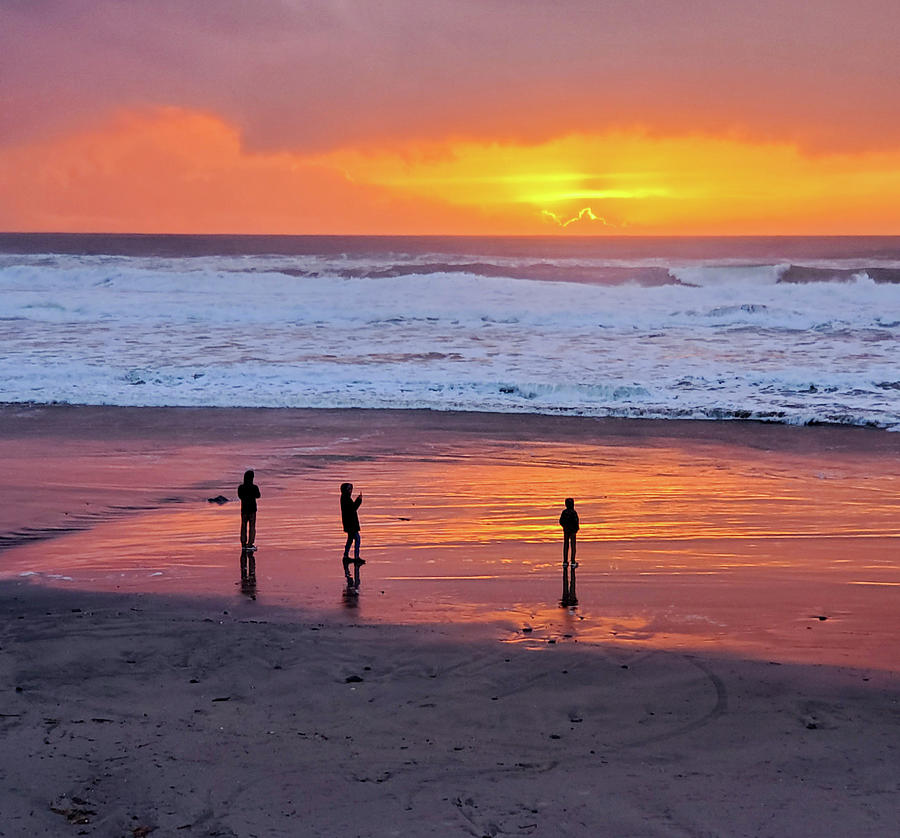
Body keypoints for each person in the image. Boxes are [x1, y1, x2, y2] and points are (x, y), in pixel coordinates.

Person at [340, 482, 364, 583]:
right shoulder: (346, 499)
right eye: (349, 489)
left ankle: (346, 556)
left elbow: (352, 509)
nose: (351, 491)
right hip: (351, 523)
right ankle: (356, 557)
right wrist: (359, 501)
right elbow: (353, 509)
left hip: (349, 523)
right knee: (357, 539)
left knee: (350, 539)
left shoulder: (345, 498)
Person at [238, 470, 261, 550]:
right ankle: (250, 544)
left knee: (243, 526)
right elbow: (258, 495)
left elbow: (240, 496)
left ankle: (243, 543)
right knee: (252, 526)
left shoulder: (241, 487)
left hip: (244, 509)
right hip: (252, 509)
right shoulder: (254, 487)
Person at [559, 497, 579, 568]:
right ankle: (572, 561)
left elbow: (561, 521)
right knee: (573, 546)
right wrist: (576, 529)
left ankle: (565, 561)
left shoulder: (564, 512)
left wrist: (565, 526)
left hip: (566, 530)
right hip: (572, 531)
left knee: (566, 545)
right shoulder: (574, 512)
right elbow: (576, 522)